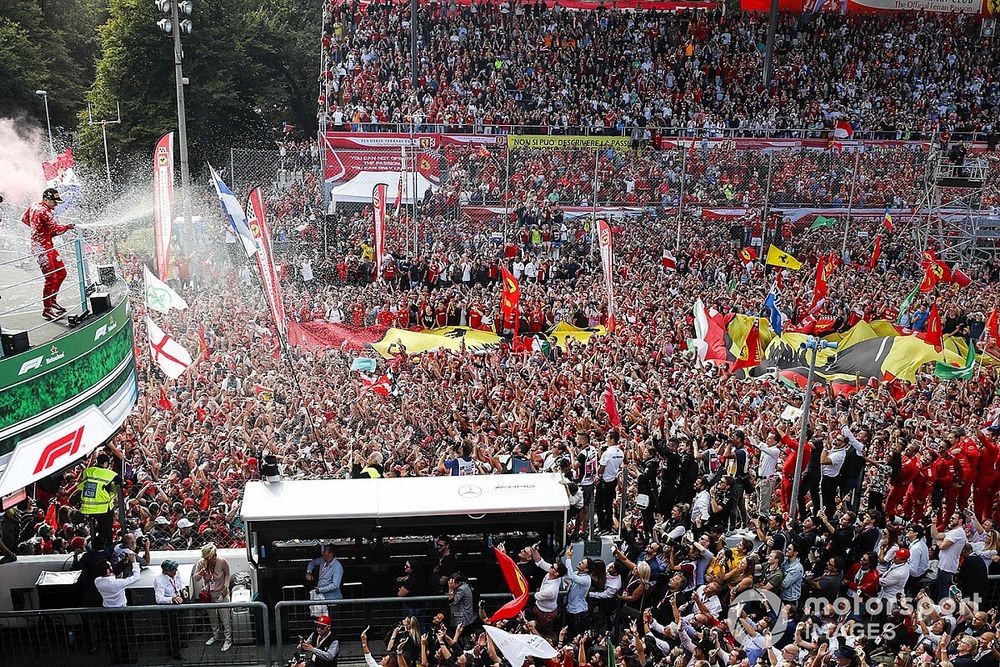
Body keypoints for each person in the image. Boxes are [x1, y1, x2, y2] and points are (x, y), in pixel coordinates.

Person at [20, 187, 75, 320]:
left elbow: (24, 219)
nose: (56, 205)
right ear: (45, 199)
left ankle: (52, 301)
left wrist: (38, 229)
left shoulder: (34, 205)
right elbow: (56, 230)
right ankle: (47, 309)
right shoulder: (46, 212)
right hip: (41, 249)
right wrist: (67, 227)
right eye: (54, 202)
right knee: (51, 278)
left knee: (61, 273)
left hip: (45, 245)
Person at [94, 552, 141, 664]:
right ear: (107, 570)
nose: (112, 567)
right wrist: (134, 563)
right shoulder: (116, 583)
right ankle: (125, 658)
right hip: (121, 612)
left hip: (108, 612)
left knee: (113, 637)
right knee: (123, 637)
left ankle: (115, 658)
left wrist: (123, 563)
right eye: (110, 566)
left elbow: (111, 575)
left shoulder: (98, 581)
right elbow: (136, 577)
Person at [76, 453, 120, 550]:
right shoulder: (109, 473)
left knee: (100, 527)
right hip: (101, 508)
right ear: (105, 463)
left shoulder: (87, 471)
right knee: (107, 528)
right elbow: (120, 480)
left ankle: (97, 544)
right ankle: (105, 547)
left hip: (86, 508)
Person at [195, 543, 232, 652]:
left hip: (221, 593)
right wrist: (202, 572)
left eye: (215, 554)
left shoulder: (222, 561)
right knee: (212, 617)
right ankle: (216, 635)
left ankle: (228, 639)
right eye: (212, 556)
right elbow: (195, 579)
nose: (215, 557)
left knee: (225, 617)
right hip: (209, 595)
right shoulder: (201, 563)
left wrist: (226, 587)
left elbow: (227, 574)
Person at [154, 559, 188, 659]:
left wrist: (183, 590)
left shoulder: (176, 573)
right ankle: (173, 651)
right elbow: (159, 599)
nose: (175, 571)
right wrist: (172, 599)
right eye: (173, 570)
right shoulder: (159, 581)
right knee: (171, 630)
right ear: (166, 571)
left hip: (178, 603)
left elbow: (180, 582)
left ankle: (180, 643)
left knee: (180, 625)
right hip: (168, 608)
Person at [932, 512, 968, 600]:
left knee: (944, 595)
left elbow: (942, 546)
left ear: (960, 520)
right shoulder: (953, 532)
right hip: (944, 566)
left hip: (947, 567)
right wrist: (933, 523)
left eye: (953, 518)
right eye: (951, 518)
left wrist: (938, 541)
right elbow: (935, 535)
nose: (950, 520)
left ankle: (945, 608)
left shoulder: (957, 532)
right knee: (942, 593)